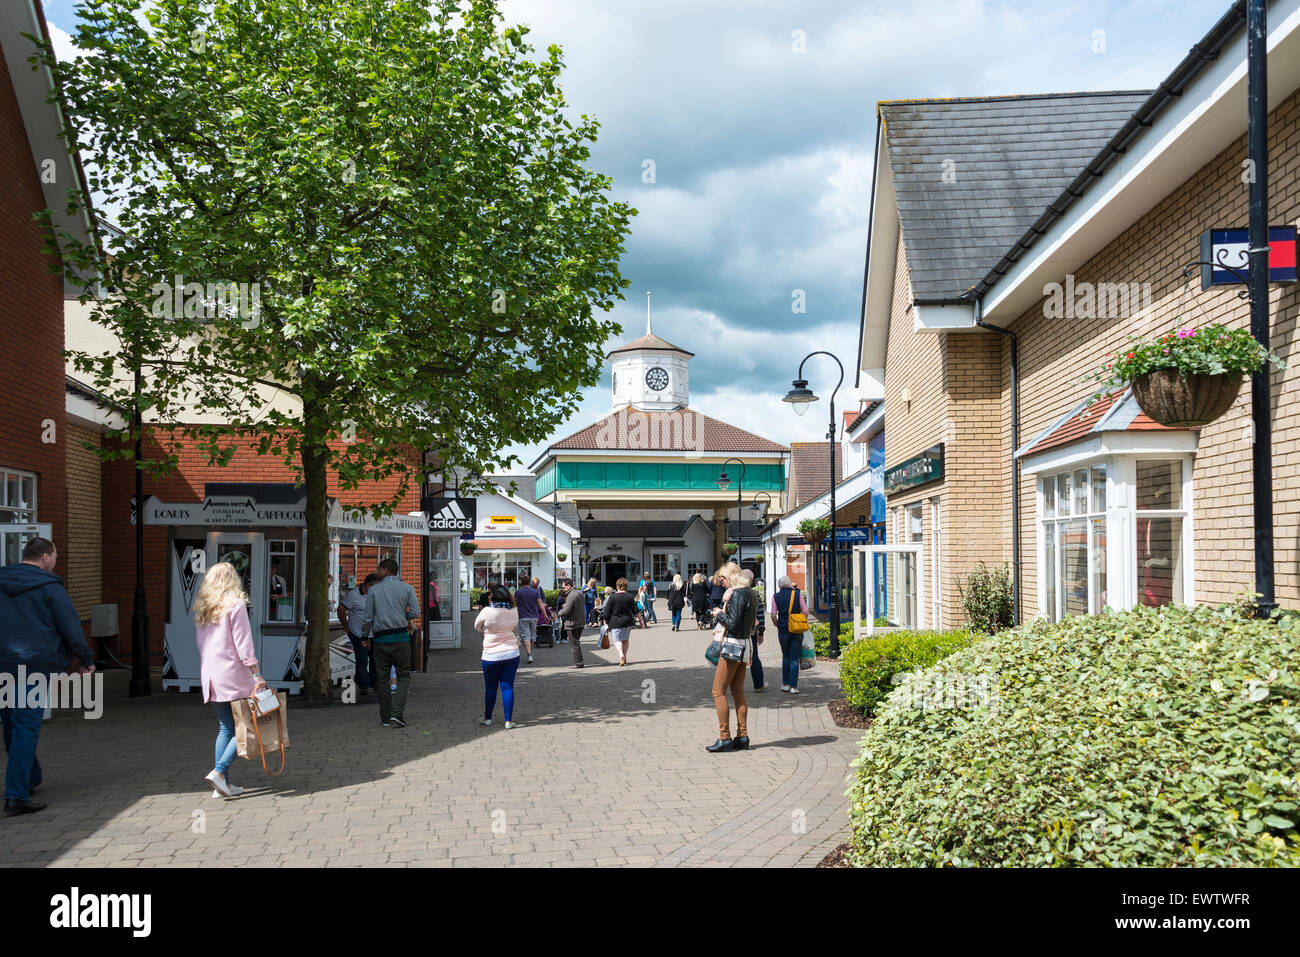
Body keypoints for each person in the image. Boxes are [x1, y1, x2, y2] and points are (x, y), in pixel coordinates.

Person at [0, 538, 96, 815]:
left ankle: (28, 778)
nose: (55, 561)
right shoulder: (50, 588)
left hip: (3, 665)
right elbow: (70, 626)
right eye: (54, 556)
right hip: (33, 667)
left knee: (11, 725)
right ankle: (16, 795)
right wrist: (86, 658)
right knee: (25, 729)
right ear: (45, 557)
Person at [192, 561, 267, 799]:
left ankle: (222, 784)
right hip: (233, 673)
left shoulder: (204, 609)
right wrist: (256, 674)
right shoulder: (235, 605)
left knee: (226, 727)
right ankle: (220, 772)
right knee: (248, 725)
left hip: (211, 674)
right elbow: (243, 643)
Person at [362, 558, 420, 728]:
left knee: (382, 679)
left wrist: (364, 637)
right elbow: (415, 611)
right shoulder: (407, 588)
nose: (377, 571)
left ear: (386, 571)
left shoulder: (373, 590)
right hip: (401, 638)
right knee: (403, 676)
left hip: (380, 639)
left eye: (379, 569)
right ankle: (397, 712)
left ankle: (386, 717)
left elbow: (368, 617)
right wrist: (402, 616)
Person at [706, 562, 756, 753]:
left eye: (723, 580)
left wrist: (719, 613)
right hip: (745, 645)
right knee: (738, 692)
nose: (722, 584)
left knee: (718, 691)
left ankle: (724, 737)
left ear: (729, 577)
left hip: (732, 646)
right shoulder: (751, 592)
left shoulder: (736, 595)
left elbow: (733, 624)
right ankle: (742, 736)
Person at [474, 584, 521, 728]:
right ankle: (508, 721)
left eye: (489, 594)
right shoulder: (514, 610)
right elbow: (514, 626)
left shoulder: (487, 611)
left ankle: (487, 718)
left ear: (493, 596)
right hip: (511, 653)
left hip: (491, 655)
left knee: (491, 688)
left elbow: (476, 626)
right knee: (507, 687)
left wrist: (485, 629)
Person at [337, 573, 379, 695]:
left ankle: (374, 682)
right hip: (358, 632)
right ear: (367, 584)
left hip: (374, 633)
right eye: (374, 586)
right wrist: (346, 626)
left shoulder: (375, 595)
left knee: (375, 659)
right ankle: (364, 685)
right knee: (362, 660)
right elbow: (341, 610)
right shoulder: (353, 594)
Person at [771, 575, 810, 693]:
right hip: (796, 630)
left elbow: (773, 614)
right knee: (794, 658)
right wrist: (801, 621)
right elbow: (806, 611)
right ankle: (793, 687)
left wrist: (777, 624)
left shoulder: (776, 596)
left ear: (779, 586)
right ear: (789, 584)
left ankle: (785, 684)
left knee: (786, 656)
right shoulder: (797, 594)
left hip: (783, 629)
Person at [601, 577, 638, 666]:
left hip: (615, 622)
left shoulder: (612, 597)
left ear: (617, 586)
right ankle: (624, 656)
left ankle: (621, 655)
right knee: (625, 640)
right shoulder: (629, 597)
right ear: (626, 586)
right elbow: (635, 611)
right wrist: (641, 621)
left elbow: (607, 611)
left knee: (617, 640)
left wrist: (605, 621)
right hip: (628, 622)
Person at [741, 569, 767, 692]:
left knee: (736, 658)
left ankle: (734, 685)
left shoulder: (733, 592)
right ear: (751, 581)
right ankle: (759, 684)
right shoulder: (755, 594)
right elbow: (760, 615)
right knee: (754, 657)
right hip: (751, 632)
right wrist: (761, 632)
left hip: (736, 632)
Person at [557, 578, 587, 667]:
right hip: (581, 622)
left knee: (574, 644)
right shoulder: (580, 593)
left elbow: (566, 610)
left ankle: (579, 663)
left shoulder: (571, 595)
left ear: (568, 586)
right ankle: (579, 662)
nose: (563, 589)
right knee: (576, 643)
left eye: (563, 587)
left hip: (573, 623)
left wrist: (558, 613)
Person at [513, 573, 542, 665]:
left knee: (525, 636)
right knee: (532, 636)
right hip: (534, 617)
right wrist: (545, 614)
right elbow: (540, 604)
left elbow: (514, 604)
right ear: (529, 582)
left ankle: (529, 654)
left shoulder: (518, 592)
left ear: (521, 582)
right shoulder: (535, 592)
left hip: (523, 617)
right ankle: (530, 653)